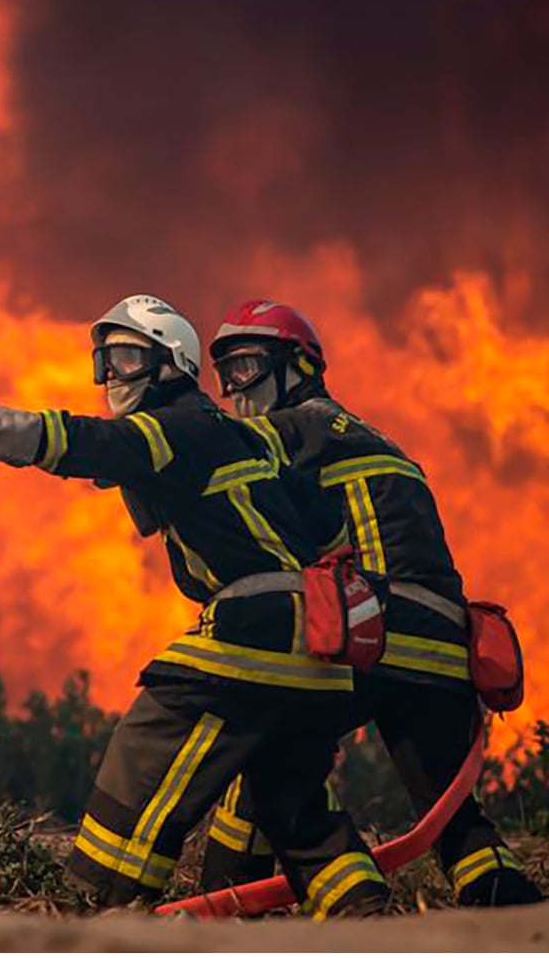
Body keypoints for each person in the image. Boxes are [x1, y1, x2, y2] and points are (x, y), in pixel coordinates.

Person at [0, 294, 388, 916]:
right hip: (320, 648)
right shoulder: (241, 436)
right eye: (104, 360)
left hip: (257, 626)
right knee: (289, 799)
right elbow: (326, 530)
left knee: (145, 744)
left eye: (129, 358)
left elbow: (86, 443)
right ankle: (367, 916)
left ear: (172, 365)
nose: (111, 377)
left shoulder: (175, 424)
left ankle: (98, 908)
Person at [201, 300, 542, 907]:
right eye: (224, 376)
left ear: (299, 367)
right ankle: (505, 901)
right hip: (443, 645)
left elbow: (207, 447)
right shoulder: (370, 435)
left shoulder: (294, 427)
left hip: (375, 633)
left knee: (269, 747)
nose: (234, 390)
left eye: (248, 367)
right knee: (451, 809)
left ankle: (315, 895)